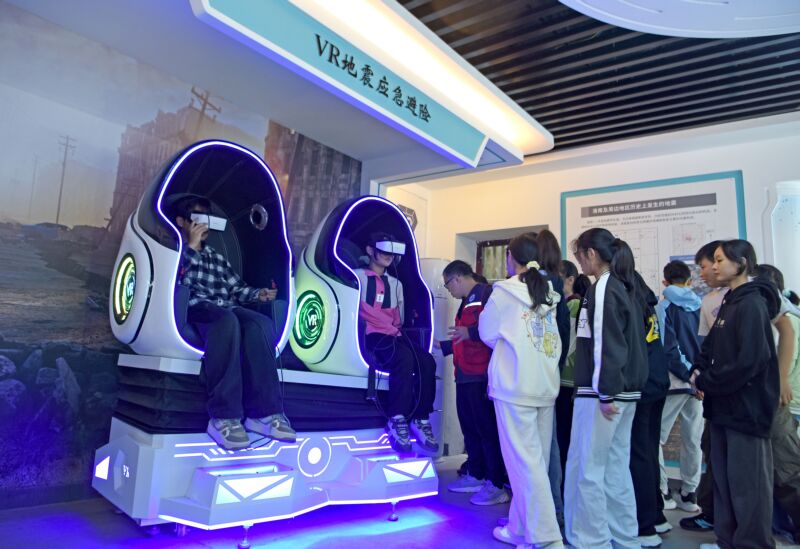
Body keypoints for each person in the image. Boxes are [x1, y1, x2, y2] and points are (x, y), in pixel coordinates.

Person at [173, 195, 295, 450]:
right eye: (197, 217)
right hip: (196, 306)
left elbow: (236, 288)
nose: (204, 223)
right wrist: (191, 247)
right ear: (182, 222)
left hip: (226, 307)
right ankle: (224, 416)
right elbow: (176, 282)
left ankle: (264, 414)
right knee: (227, 320)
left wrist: (259, 294)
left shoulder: (216, 258)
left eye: (207, 218)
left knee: (261, 324)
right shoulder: (176, 252)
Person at [691, 240, 780, 549]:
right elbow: (712, 346)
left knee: (748, 485)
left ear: (741, 262)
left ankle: (752, 543)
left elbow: (751, 360)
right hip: (723, 407)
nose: (714, 267)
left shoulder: (752, 303)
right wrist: (698, 369)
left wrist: (709, 380)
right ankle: (727, 540)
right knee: (725, 481)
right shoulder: (730, 301)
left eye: (720, 260)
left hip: (746, 410)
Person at [564, 228, 647, 549]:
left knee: (589, 468)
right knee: (614, 469)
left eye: (579, 256)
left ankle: (592, 540)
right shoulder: (627, 285)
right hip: (625, 392)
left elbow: (604, 342)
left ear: (591, 253)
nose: (579, 263)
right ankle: (624, 538)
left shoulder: (603, 287)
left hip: (602, 393)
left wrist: (605, 392)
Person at [479, 234, 564, 549]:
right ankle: (519, 528)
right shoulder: (548, 292)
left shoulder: (504, 292)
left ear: (510, 258)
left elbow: (487, 333)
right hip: (544, 385)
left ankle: (546, 538)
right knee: (532, 462)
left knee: (523, 465)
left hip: (515, 386)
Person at [357, 232, 439, 454]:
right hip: (370, 334)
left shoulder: (395, 284)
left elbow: (398, 318)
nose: (389, 255)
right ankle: (397, 417)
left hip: (393, 333)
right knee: (403, 358)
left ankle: (420, 417)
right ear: (370, 250)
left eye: (392, 252)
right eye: (384, 250)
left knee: (426, 361)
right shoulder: (357, 277)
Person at [437, 260, 508, 505]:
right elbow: (462, 338)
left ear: (457, 278)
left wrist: (471, 333)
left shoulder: (488, 294)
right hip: (464, 374)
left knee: (486, 430)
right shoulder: (466, 301)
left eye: (448, 285)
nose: (448, 290)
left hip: (480, 375)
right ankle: (476, 474)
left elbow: (495, 330)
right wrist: (442, 346)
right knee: (469, 427)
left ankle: (495, 482)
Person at [655, 260, 704, 517]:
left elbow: (669, 348)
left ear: (665, 281)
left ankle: (663, 492)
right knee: (693, 439)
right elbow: (707, 345)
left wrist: (688, 375)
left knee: (656, 437)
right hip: (698, 385)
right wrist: (699, 378)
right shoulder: (702, 305)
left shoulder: (663, 307)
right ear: (690, 281)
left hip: (675, 383)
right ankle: (689, 493)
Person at [629, 272, 670, 548]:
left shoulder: (632, 302)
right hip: (658, 380)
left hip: (643, 386)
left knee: (639, 455)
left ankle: (644, 526)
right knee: (650, 451)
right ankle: (656, 515)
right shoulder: (648, 302)